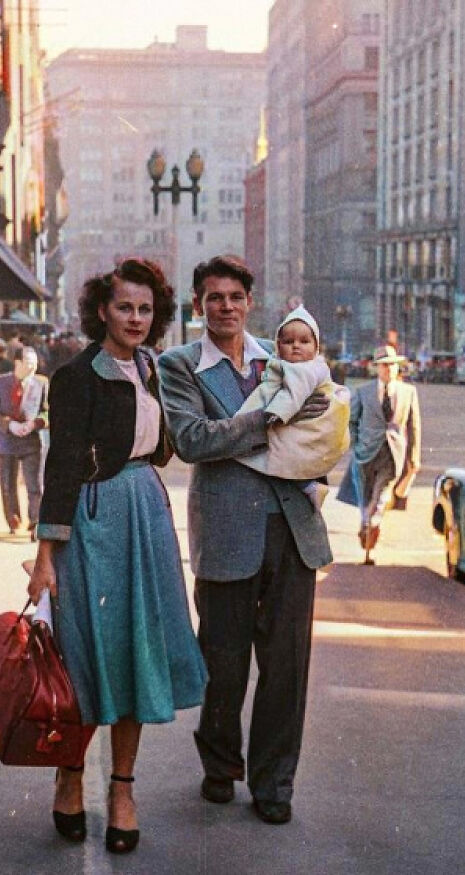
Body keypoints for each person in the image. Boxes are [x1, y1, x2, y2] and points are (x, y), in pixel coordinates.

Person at [27, 258, 207, 854]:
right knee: (84, 654)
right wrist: (47, 553)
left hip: (146, 515)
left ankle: (123, 791)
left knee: (136, 653)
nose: (135, 318)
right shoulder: (76, 376)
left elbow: (167, 445)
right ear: (102, 309)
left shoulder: (155, 366)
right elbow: (61, 465)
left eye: (145, 309)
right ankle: (72, 777)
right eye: (125, 307)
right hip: (93, 518)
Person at [157, 255, 332, 826]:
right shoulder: (180, 365)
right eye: (214, 298)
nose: (226, 307)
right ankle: (219, 763)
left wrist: (314, 464)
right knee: (223, 663)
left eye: (235, 297)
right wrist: (270, 421)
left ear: (249, 302)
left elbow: (324, 421)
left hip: (291, 532)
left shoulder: (283, 354)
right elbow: (191, 439)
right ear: (198, 305)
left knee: (286, 667)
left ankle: (274, 784)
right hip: (227, 533)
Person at [234, 304, 350, 507]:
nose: (296, 346)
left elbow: (294, 395)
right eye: (288, 341)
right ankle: (307, 485)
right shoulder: (287, 364)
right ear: (278, 345)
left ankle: (308, 486)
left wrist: (276, 413)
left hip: (296, 419)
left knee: (285, 452)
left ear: (316, 347)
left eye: (304, 341)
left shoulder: (306, 370)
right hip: (288, 416)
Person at [336, 344, 422, 561]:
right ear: (377, 368)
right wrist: (356, 445)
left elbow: (414, 427)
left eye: (392, 365)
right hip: (365, 454)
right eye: (384, 366)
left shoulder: (408, 393)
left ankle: (372, 523)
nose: (389, 369)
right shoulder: (363, 392)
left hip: (393, 454)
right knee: (365, 495)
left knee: (383, 492)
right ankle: (366, 523)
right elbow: (351, 421)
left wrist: (414, 458)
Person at [0, 347, 48, 538]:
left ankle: (35, 521)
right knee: (7, 485)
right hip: (7, 441)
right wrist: (9, 425)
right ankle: (13, 520)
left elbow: (47, 410)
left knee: (35, 484)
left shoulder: (41, 383)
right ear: (17, 363)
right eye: (29, 363)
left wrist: (35, 423)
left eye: (35, 363)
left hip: (31, 441)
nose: (33, 367)